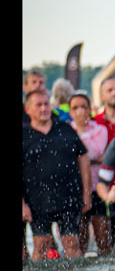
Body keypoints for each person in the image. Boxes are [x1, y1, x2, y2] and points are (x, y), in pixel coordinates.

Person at [22, 89, 90, 260]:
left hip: (68, 197)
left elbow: (83, 158)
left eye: (46, 104)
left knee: (71, 242)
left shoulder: (65, 129)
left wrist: (87, 193)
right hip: (37, 200)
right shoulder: (25, 136)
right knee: (42, 243)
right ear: (28, 109)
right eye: (39, 105)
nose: (44, 108)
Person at [68, 90, 115, 255]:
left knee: (103, 238)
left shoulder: (100, 130)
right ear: (70, 111)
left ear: (90, 109)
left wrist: (82, 155)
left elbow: (95, 153)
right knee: (79, 240)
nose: (80, 111)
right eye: (76, 107)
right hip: (76, 189)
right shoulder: (66, 130)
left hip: (98, 188)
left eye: (84, 107)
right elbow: (74, 157)